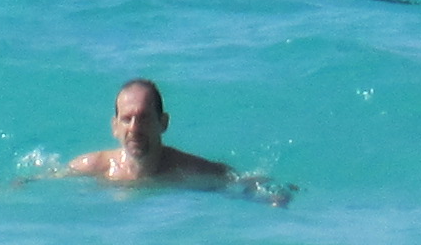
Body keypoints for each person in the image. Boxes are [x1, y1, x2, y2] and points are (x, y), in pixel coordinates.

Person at [58, 77, 287, 202]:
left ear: (163, 123)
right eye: (127, 119)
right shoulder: (91, 167)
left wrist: (274, 195)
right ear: (114, 127)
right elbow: (46, 181)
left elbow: (243, 181)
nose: (135, 128)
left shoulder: (189, 171)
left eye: (144, 118)